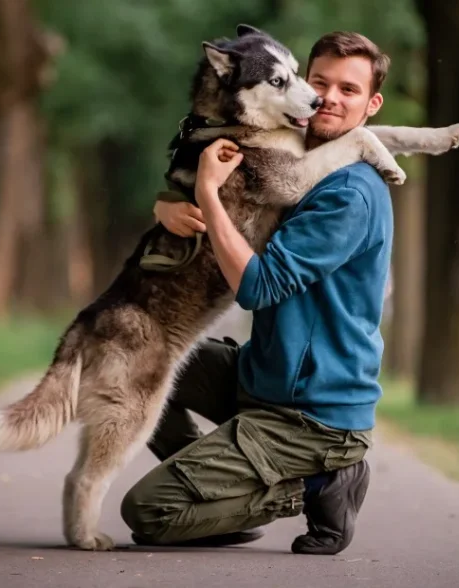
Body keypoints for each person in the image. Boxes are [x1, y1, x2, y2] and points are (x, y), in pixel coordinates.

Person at [119, 30, 394, 556]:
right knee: (133, 356)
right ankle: (218, 494)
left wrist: (206, 194)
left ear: (371, 103)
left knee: (151, 513)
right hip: (264, 378)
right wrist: (167, 205)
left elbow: (259, 286)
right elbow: (218, 182)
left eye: (349, 90)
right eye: (321, 82)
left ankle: (318, 483)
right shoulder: (298, 152)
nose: (329, 98)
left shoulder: (349, 195)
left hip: (311, 415)